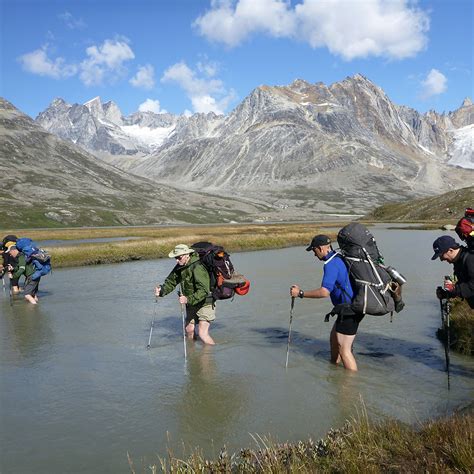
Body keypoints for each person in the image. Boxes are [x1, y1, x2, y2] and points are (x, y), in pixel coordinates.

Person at [290, 234, 364, 371]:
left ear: (321, 248)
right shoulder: (339, 258)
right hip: (348, 308)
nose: (314, 254)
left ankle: (351, 386)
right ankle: (334, 370)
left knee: (344, 350)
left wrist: (300, 293)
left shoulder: (330, 264)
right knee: (334, 341)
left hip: (349, 310)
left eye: (314, 251)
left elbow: (324, 292)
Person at [155, 244, 216, 345]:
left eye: (179, 257)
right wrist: (161, 291)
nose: (176, 260)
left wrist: (187, 299)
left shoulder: (198, 267)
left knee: (203, 334)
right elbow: (171, 282)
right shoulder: (180, 266)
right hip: (191, 302)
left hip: (205, 303)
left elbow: (204, 291)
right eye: (175, 257)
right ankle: (193, 355)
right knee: (189, 330)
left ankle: (208, 357)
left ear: (187, 254)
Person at [432, 235, 474, 309]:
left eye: (441, 255)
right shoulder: (459, 261)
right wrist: (446, 294)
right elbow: (465, 285)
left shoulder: (470, 259)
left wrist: (454, 288)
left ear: (450, 250)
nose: (441, 259)